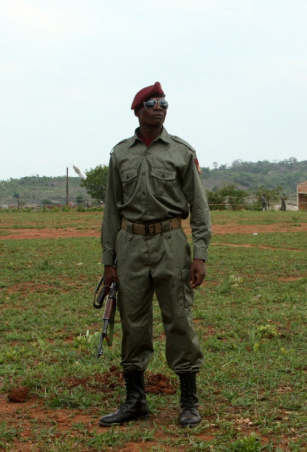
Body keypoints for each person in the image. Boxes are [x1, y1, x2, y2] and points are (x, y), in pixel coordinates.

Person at [98, 81, 211, 428]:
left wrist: (200, 254)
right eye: (151, 102)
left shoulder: (180, 151)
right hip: (130, 245)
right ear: (137, 110)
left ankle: (189, 401)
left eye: (163, 102)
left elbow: (199, 206)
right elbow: (111, 212)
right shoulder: (121, 154)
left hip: (171, 243)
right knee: (133, 323)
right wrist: (108, 262)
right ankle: (135, 400)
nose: (158, 107)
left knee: (179, 318)